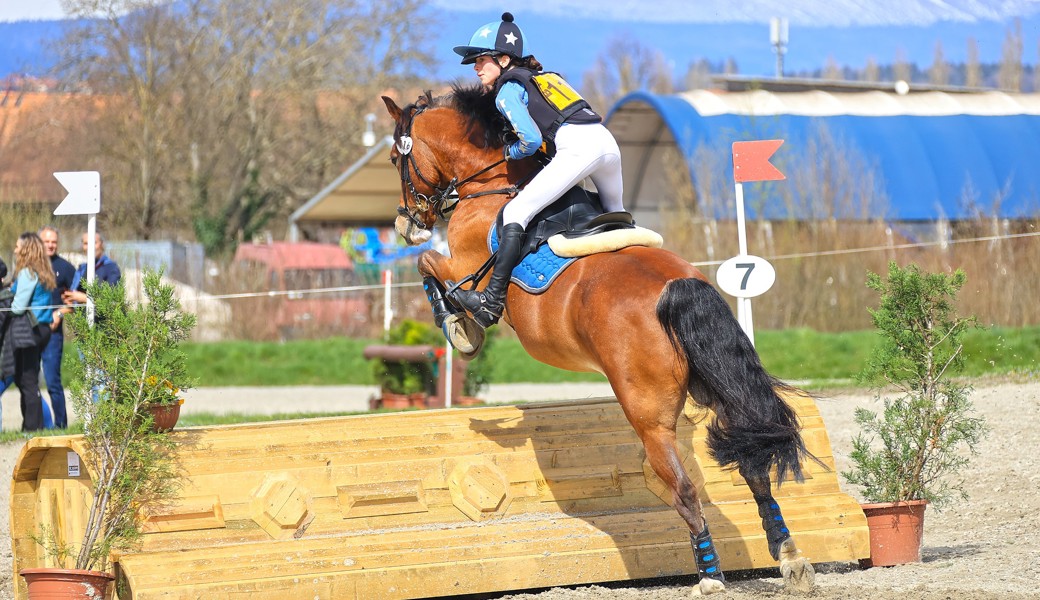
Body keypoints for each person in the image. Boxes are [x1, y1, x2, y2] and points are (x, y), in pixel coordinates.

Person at [449, 12, 625, 328]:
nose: (476, 67)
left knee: (515, 212)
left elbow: (529, 141)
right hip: (607, 144)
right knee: (618, 218)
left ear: (504, 59)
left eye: (481, 59)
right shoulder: (547, 77)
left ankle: (491, 301)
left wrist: (510, 152)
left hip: (578, 149)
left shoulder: (507, 90)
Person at [7, 233, 56, 431]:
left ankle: (32, 427)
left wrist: (6, 304)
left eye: (18, 246)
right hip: (43, 330)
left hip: (30, 332)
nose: (15, 250)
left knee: (26, 381)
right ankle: (35, 425)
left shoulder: (28, 273)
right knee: (28, 379)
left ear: (26, 249)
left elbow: (18, 307)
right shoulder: (43, 271)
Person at [39, 225, 76, 429]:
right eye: (47, 241)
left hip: (53, 335)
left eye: (54, 241)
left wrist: (60, 313)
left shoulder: (66, 268)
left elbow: (77, 301)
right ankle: (36, 425)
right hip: (30, 333)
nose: (50, 245)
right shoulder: (29, 266)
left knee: (53, 381)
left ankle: (61, 426)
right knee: (28, 383)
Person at [63, 231, 122, 306]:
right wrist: (70, 299)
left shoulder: (111, 268)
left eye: (94, 243)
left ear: (101, 244)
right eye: (86, 243)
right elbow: (74, 293)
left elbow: (111, 300)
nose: (90, 247)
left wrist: (85, 299)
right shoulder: (82, 269)